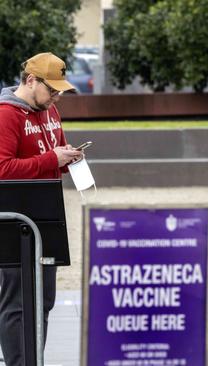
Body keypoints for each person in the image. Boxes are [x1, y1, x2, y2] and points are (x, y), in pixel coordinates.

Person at [0, 52, 82, 366]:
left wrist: (68, 158)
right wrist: (51, 160)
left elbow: (52, 154)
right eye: (52, 90)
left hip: (48, 218)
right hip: (16, 220)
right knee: (18, 302)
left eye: (61, 91)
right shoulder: (7, 114)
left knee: (43, 300)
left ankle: (34, 359)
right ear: (31, 80)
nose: (56, 97)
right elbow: (3, 169)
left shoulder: (49, 112)